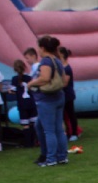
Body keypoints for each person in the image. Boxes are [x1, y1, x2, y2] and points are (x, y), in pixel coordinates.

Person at [25, 35, 68, 167]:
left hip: (47, 99)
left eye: (38, 47)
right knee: (58, 129)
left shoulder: (46, 61)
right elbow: (64, 79)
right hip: (59, 97)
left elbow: (44, 78)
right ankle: (62, 156)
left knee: (49, 130)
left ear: (42, 48)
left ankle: (51, 158)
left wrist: (31, 83)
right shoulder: (57, 60)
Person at [10, 59, 38, 149]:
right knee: (33, 123)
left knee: (25, 124)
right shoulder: (29, 78)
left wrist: (11, 91)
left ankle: (28, 143)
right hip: (31, 102)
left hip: (22, 103)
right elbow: (33, 88)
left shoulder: (14, 79)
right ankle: (35, 140)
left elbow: (13, 90)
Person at [58, 47, 80, 141]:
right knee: (63, 115)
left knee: (71, 114)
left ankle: (74, 133)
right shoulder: (61, 67)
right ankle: (68, 132)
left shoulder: (67, 68)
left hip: (67, 95)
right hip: (62, 95)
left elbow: (65, 83)